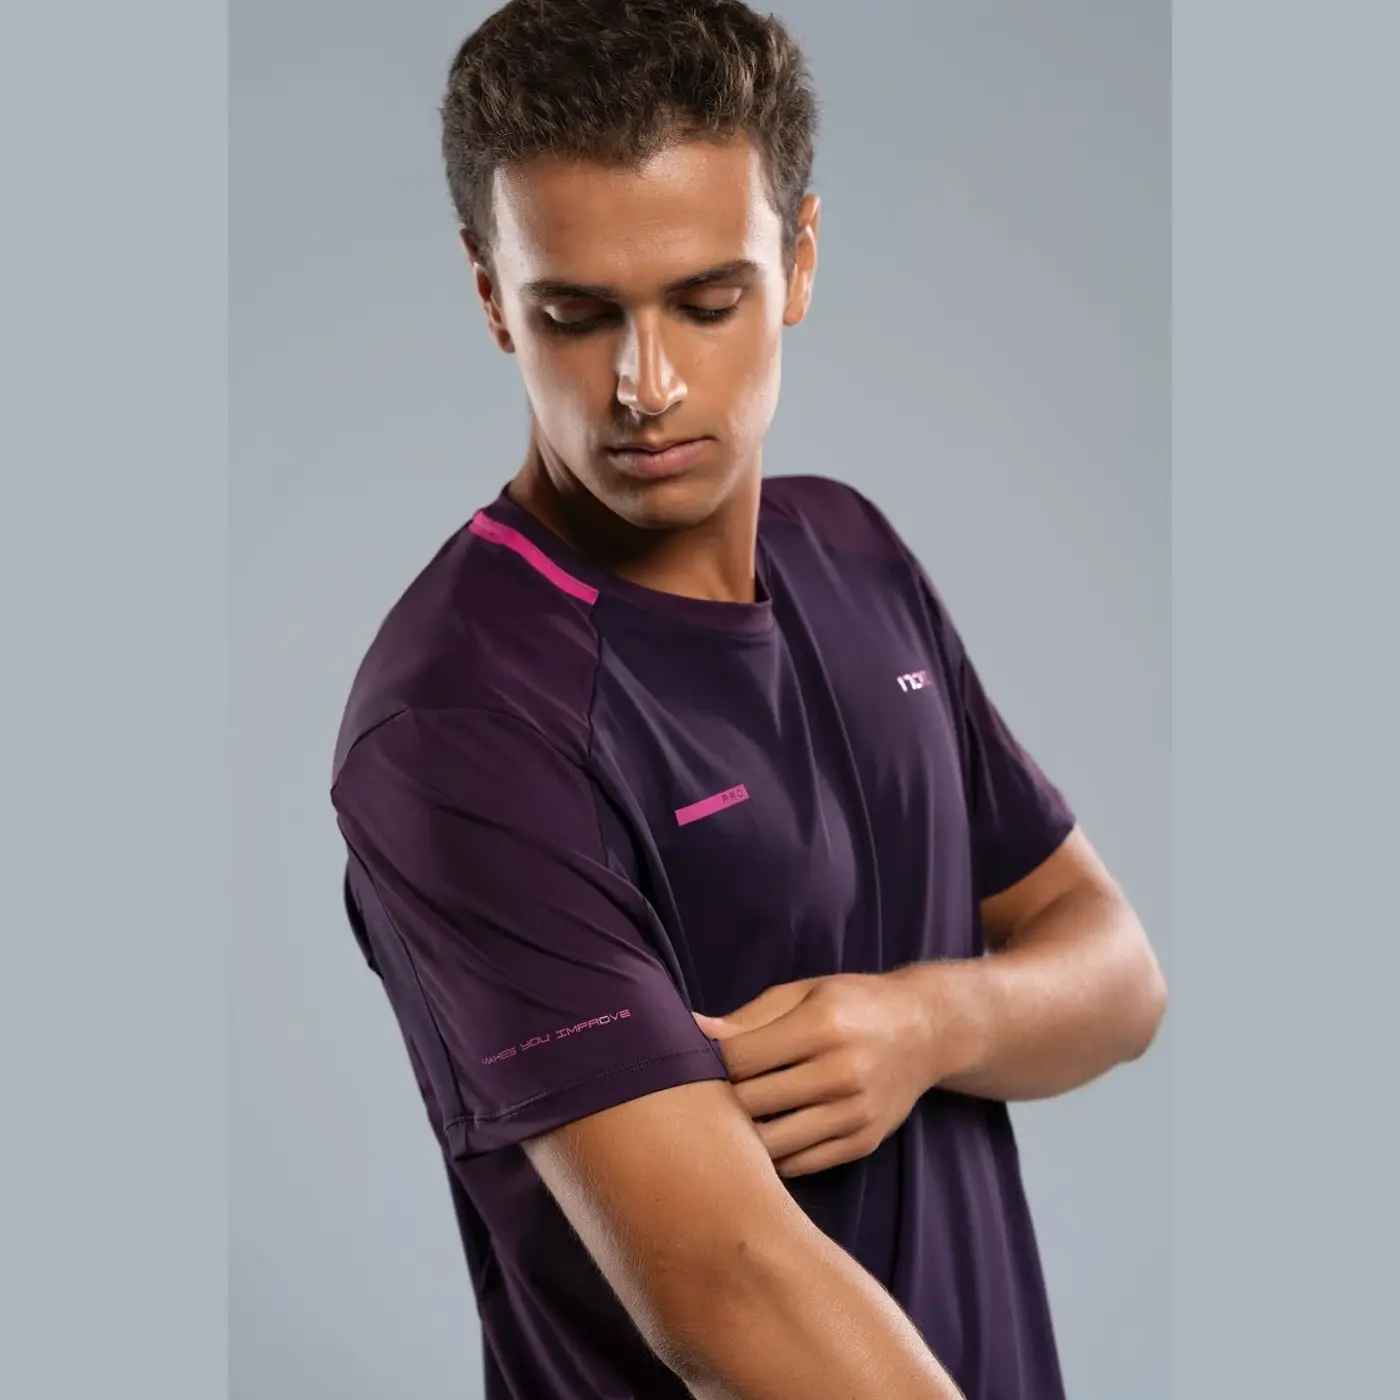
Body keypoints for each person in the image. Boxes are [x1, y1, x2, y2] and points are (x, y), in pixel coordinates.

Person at [329, 2, 1167, 1397]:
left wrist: (928, 1026)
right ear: (490, 293)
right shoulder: (460, 722)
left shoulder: (853, 551)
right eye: (576, 315)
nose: (644, 387)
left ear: (800, 261)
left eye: (706, 303)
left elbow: (1120, 977)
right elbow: (730, 1292)